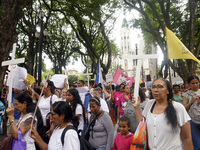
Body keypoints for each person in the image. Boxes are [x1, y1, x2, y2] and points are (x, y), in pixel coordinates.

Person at [132, 79, 193, 150]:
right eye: (153, 87)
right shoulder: (149, 104)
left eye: (160, 87)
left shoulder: (178, 108)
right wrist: (137, 108)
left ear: (167, 91)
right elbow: (141, 126)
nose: (155, 90)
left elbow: (186, 138)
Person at [182, 75, 200, 150]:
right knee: (197, 145)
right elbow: (183, 108)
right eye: (193, 83)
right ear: (189, 84)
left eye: (196, 83)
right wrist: (191, 102)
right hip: (192, 122)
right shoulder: (186, 95)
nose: (195, 85)